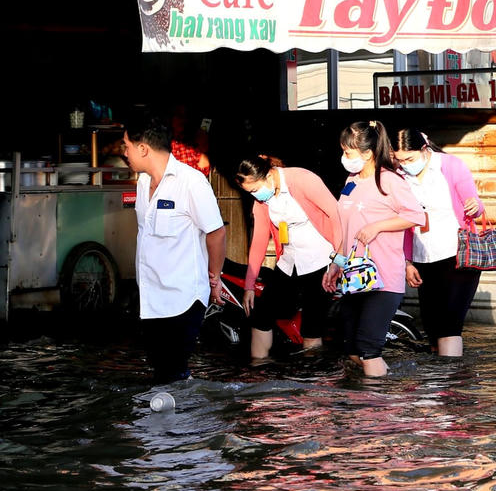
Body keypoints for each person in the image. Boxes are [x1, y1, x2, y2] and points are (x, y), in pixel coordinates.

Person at [123, 111, 226, 383]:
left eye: (127, 146)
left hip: (183, 298)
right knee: (162, 374)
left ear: (143, 148)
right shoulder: (144, 182)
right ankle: (173, 423)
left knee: (173, 372)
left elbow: (216, 232)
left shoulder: (191, 182)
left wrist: (214, 278)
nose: (125, 152)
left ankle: (192, 423)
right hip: (151, 297)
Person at [324, 121, 426, 377]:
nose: (344, 158)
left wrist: (378, 227)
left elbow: (417, 216)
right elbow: (347, 227)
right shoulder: (352, 180)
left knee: (369, 351)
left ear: (367, 153)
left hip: (382, 278)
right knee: (352, 351)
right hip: (354, 276)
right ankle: (385, 391)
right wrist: (336, 262)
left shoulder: (389, 180)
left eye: (348, 152)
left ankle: (378, 410)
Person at [237, 155, 342, 362]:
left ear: (268, 175)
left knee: (312, 328)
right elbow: (259, 240)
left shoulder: (302, 179)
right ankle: (260, 370)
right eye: (250, 193)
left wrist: (337, 260)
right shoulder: (262, 201)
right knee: (260, 317)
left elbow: (337, 215)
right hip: (288, 262)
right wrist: (250, 284)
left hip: (321, 260)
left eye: (255, 190)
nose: (255, 196)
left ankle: (312, 383)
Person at [394, 129, 484, 357]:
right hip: (423, 256)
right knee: (433, 328)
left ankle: (451, 383)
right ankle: (438, 387)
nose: (405, 164)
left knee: (449, 326)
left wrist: (475, 206)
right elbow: (404, 223)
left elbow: (475, 203)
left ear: (424, 149)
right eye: (400, 160)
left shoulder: (450, 165)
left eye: (409, 159)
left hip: (457, 254)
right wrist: (407, 262)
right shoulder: (400, 176)